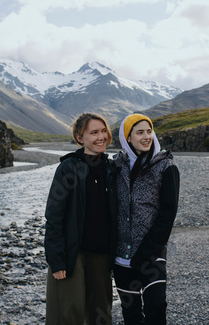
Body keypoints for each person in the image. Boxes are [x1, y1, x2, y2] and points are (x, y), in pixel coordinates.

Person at [44, 112, 117, 325]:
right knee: (67, 315)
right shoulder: (68, 168)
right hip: (72, 254)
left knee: (101, 315)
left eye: (104, 131)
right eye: (93, 132)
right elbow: (54, 216)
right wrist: (56, 259)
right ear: (79, 137)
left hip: (102, 256)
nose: (101, 137)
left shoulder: (112, 168)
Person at [112, 113, 180, 325]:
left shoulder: (166, 167)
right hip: (121, 255)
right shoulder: (116, 166)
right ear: (127, 137)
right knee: (131, 314)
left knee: (156, 307)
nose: (146, 137)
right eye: (139, 132)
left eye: (149, 131)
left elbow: (168, 213)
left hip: (152, 254)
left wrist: (148, 251)